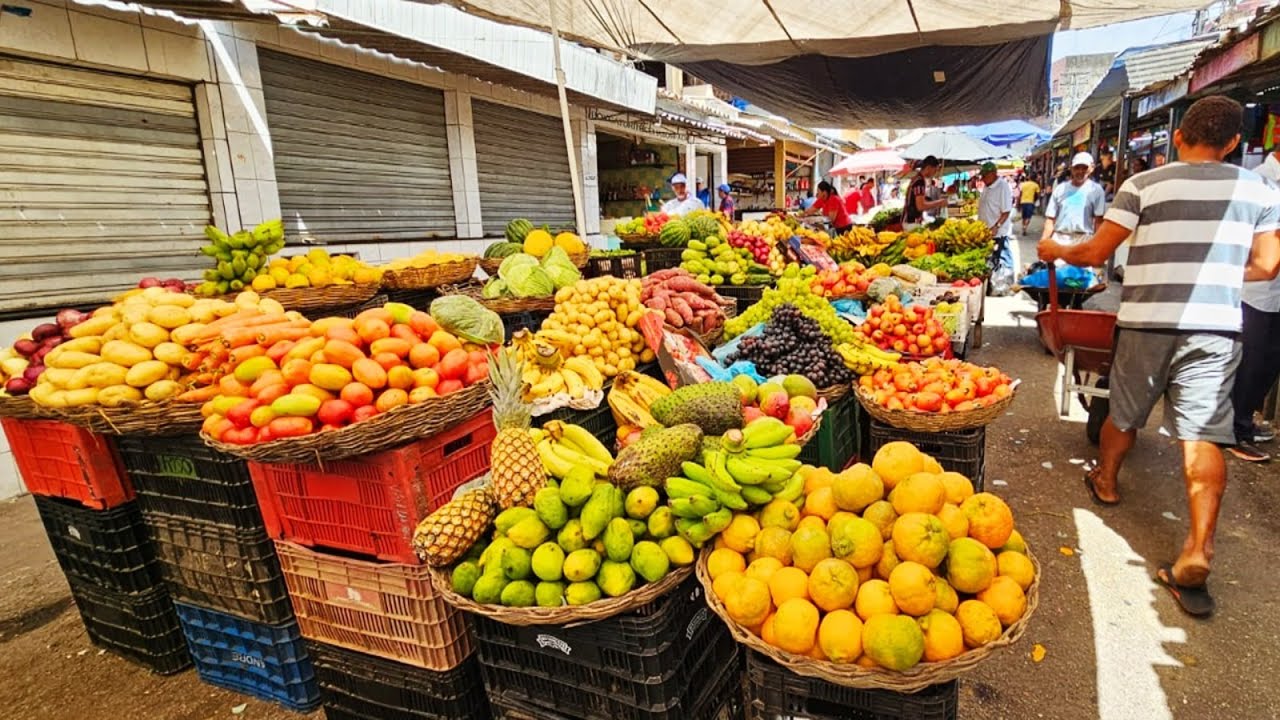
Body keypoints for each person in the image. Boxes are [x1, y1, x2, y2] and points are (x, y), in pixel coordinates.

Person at [1037, 95, 1280, 617]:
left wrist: (1056, 250)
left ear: (1177, 135)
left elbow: (1097, 252)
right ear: (1234, 143)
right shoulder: (1258, 188)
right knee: (1204, 433)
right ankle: (1198, 548)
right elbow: (1267, 265)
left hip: (1147, 319)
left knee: (1123, 410)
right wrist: (1214, 275)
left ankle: (1105, 482)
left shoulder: (1143, 184)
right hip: (1215, 327)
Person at [1229, 146, 1280, 462]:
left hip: (1274, 292)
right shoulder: (1260, 182)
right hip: (1257, 291)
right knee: (1252, 361)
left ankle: (1245, 420)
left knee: (1271, 361)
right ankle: (1236, 430)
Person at [1040, 152, 1107, 251]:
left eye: (1084, 168)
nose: (1080, 171)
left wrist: (1097, 247)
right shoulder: (1060, 189)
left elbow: (1098, 221)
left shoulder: (1096, 190)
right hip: (1060, 239)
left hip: (1083, 240)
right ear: (1071, 169)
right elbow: (1050, 219)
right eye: (1077, 168)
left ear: (1091, 168)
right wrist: (1044, 241)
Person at [977, 162, 1015, 294]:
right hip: (986, 230)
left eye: (984, 176)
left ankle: (1004, 287)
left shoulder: (1002, 186)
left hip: (998, 232)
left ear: (993, 174)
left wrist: (996, 226)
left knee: (1002, 258)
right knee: (991, 260)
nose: (982, 179)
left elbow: (1006, 211)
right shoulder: (988, 186)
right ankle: (993, 285)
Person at [902, 156, 946, 227]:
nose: (935, 173)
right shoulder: (919, 182)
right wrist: (939, 202)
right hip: (911, 222)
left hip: (911, 220)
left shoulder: (917, 179)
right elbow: (920, 206)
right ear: (928, 168)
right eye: (935, 170)